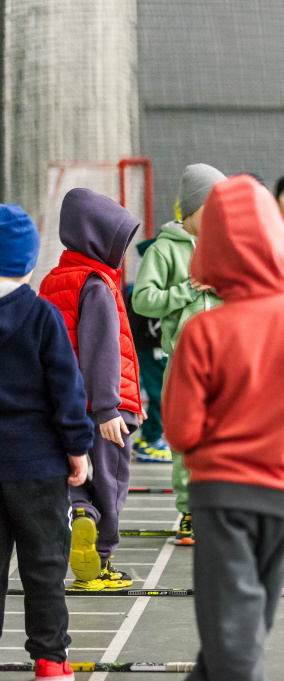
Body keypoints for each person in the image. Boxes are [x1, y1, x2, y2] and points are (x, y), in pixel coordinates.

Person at [163, 175, 284, 681]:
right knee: (245, 626)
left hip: (222, 495)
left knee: (232, 634)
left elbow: (179, 430)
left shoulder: (202, 331)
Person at [0, 205, 93, 681]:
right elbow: (67, 390)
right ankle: (51, 661)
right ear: (29, 264)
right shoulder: (42, 317)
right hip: (38, 466)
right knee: (45, 567)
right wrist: (78, 448)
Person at [38, 188, 143, 590]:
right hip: (106, 409)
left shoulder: (53, 280)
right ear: (97, 238)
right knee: (111, 479)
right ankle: (100, 561)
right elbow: (103, 351)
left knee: (79, 476)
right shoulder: (96, 284)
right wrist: (110, 408)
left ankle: (81, 515)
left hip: (65, 405)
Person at [133, 163, 226, 546]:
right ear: (190, 210)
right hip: (183, 361)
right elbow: (142, 300)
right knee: (185, 436)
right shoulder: (163, 250)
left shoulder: (225, 247)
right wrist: (186, 291)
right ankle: (189, 512)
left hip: (225, 362)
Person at [126, 237, 170, 463]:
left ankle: (148, 438)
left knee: (160, 389)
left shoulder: (146, 282)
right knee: (161, 391)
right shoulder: (150, 286)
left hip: (150, 345)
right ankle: (151, 440)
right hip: (152, 346)